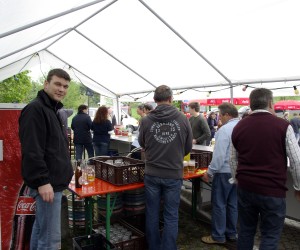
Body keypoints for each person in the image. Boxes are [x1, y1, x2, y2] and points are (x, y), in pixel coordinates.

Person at [230, 88, 300, 250]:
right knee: (270, 235)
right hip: (272, 190)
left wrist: (237, 180)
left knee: (246, 231)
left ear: (251, 104)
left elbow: (233, 159)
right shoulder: (283, 126)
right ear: (270, 103)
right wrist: (298, 187)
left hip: (246, 188)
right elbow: (296, 161)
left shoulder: (239, 127)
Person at [19, 68, 73, 249]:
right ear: (46, 84)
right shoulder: (36, 109)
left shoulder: (52, 109)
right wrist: (42, 181)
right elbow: (32, 150)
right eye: (57, 84)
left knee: (41, 229)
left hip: (53, 182)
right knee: (50, 240)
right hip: (48, 183)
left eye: (65, 86)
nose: (61, 89)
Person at [138, 85, 193, 250]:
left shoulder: (146, 120)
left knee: (152, 213)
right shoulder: (183, 118)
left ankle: (154, 246)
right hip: (173, 174)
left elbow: (142, 143)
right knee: (171, 215)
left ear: (155, 100)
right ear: (171, 99)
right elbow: (188, 147)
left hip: (152, 173)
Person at [201, 103, 239, 244]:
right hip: (238, 172)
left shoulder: (224, 130)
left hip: (224, 172)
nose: (219, 118)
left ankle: (218, 236)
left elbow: (219, 156)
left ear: (227, 114)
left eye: (220, 115)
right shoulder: (243, 126)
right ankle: (232, 233)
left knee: (219, 204)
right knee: (233, 204)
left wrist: (210, 172)